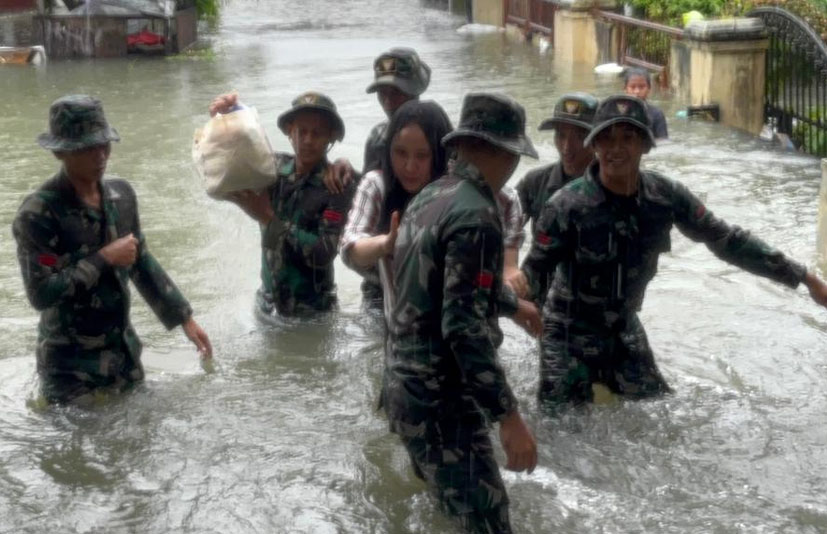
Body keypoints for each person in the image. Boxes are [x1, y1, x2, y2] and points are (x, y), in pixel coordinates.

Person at [520, 95, 827, 408]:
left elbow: (726, 239)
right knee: (564, 433)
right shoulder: (564, 206)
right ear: (595, 146)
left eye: (628, 138)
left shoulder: (665, 197)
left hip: (623, 328)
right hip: (567, 333)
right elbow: (533, 273)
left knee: (660, 412)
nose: (616, 149)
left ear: (645, 145)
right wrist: (509, 303)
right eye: (607, 139)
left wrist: (803, 276)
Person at [387, 93, 539, 533]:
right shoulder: (477, 214)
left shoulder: (432, 195)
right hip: (442, 401)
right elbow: (464, 328)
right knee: (489, 523)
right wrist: (508, 417)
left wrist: (512, 305)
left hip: (404, 390)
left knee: (448, 514)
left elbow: (447, 287)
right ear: (505, 154)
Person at [12, 95, 213, 404]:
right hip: (69, 371)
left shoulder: (122, 195)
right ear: (60, 153)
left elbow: (140, 259)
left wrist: (184, 317)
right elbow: (41, 294)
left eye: (104, 144)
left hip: (123, 357)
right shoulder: (39, 214)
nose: (100, 155)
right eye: (87, 148)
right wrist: (104, 258)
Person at [209, 91, 356, 317]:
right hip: (267, 306)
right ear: (290, 132)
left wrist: (269, 219)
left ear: (331, 137)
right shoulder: (272, 169)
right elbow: (230, 167)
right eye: (301, 131)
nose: (307, 140)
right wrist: (230, 117)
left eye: (317, 133)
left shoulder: (337, 185)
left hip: (313, 314)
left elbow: (323, 252)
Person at [340, 100, 453, 311]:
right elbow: (350, 247)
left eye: (422, 155)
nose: (410, 166)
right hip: (396, 322)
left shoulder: (456, 191)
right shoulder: (377, 184)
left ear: (440, 154)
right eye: (400, 153)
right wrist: (386, 244)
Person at [510, 92, 598, 299]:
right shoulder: (535, 183)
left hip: (597, 307)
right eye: (561, 135)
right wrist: (509, 266)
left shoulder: (614, 186)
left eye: (579, 137)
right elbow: (505, 226)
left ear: (597, 140)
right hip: (545, 303)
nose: (567, 147)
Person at [362, 47, 431, 175]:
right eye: (382, 93)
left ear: (415, 92)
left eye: (396, 93)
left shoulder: (440, 136)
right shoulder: (377, 138)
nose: (387, 102)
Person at [623, 67, 668, 140]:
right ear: (625, 89)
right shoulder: (618, 114)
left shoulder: (657, 114)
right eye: (632, 87)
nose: (637, 91)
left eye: (641, 87)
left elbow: (663, 141)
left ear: (649, 89)